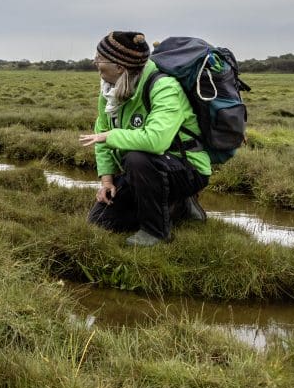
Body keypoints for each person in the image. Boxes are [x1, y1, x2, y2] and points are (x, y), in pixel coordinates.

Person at [80, 32, 210, 247]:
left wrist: (111, 136)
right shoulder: (109, 91)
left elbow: (156, 141)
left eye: (99, 58)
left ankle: (156, 233)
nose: (95, 62)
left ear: (120, 66)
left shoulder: (164, 87)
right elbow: (101, 135)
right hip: (147, 171)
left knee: (137, 157)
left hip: (187, 168)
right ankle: (180, 206)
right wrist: (107, 181)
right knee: (101, 221)